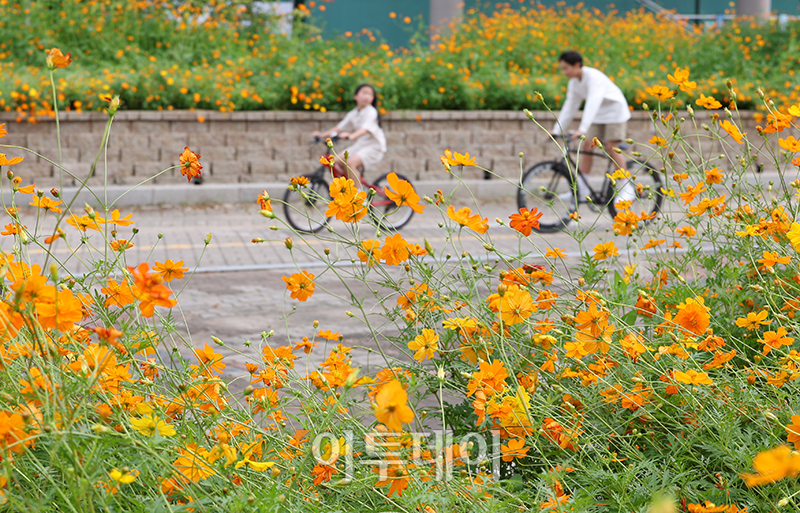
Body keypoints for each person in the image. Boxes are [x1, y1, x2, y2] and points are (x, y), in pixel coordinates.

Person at [551, 51, 635, 204]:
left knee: (611, 147)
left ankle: (626, 186)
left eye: (566, 68)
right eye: (562, 69)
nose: (564, 72)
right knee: (587, 145)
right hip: (598, 115)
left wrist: (582, 129)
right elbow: (570, 106)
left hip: (615, 112)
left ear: (577, 65)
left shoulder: (593, 78)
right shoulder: (574, 83)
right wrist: (556, 130)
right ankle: (582, 189)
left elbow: (593, 102)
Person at [313, 84, 386, 183]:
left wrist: (350, 136)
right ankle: (349, 186)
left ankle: (359, 193)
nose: (367, 96)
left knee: (350, 163)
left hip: (374, 147)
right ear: (355, 96)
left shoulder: (371, 112)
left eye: (370, 94)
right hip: (361, 145)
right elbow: (339, 128)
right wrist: (321, 135)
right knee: (336, 161)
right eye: (364, 93)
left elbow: (365, 129)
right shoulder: (353, 114)